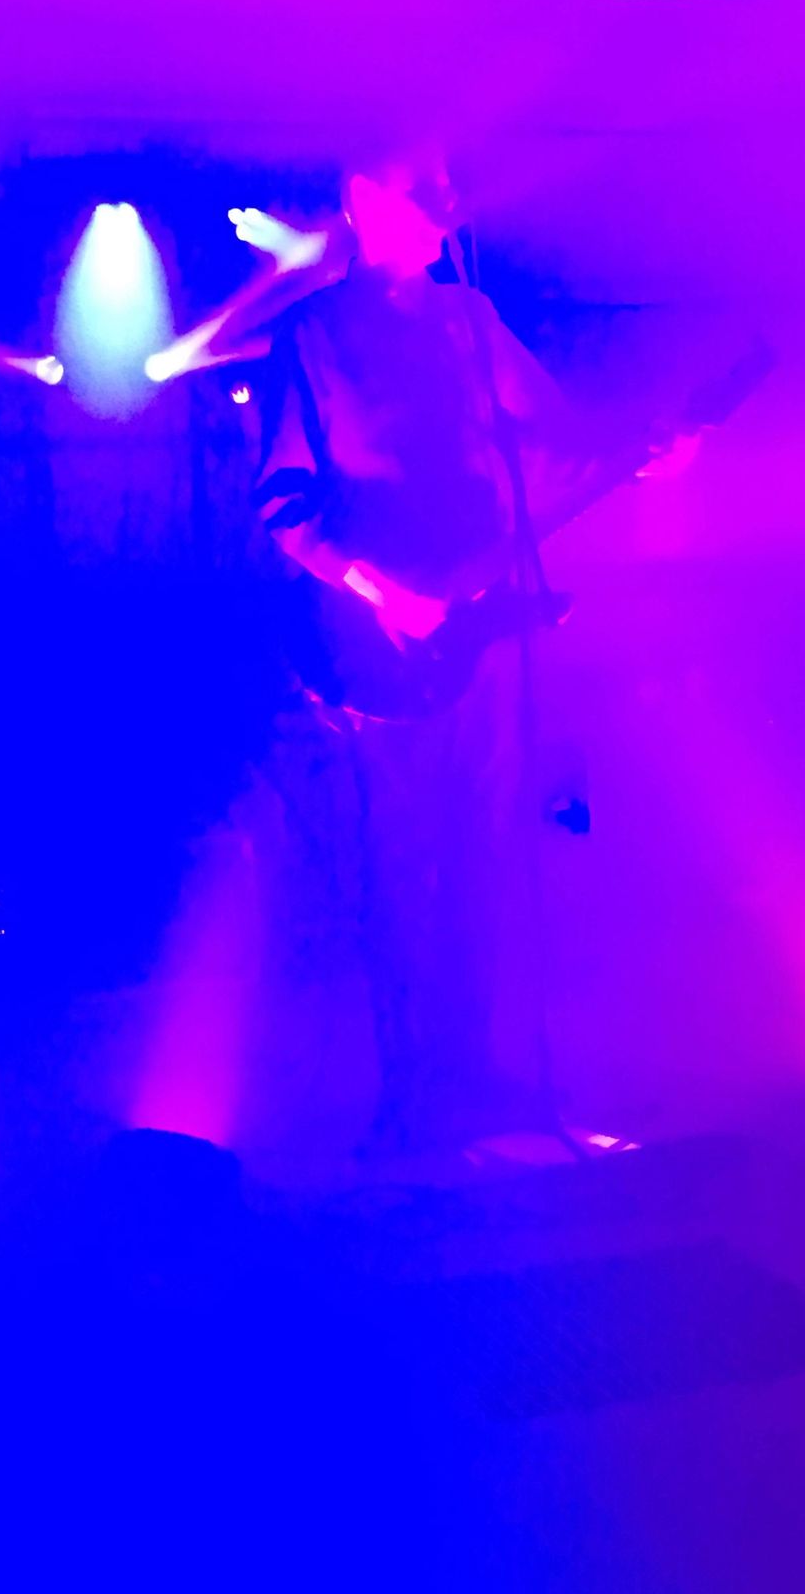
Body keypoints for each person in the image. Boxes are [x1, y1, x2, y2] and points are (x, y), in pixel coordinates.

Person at [205, 158, 584, 1160]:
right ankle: (410, 1092)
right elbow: (282, 500)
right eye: (417, 183)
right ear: (363, 203)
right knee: (402, 861)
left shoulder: (471, 320)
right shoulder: (315, 334)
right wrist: (382, 590)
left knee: (489, 851)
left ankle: (485, 1075)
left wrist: (654, 450)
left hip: (484, 628)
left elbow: (559, 440)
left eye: (445, 183)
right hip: (379, 646)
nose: (440, 201)